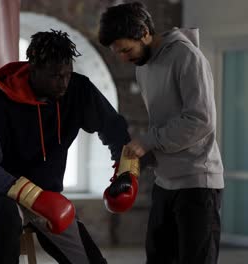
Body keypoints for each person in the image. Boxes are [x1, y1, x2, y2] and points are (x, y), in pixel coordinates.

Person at [0, 29, 130, 264]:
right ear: (33, 69)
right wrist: (30, 195)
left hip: (49, 198)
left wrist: (125, 170)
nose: (63, 83)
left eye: (67, 74)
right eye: (54, 76)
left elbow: (114, 129)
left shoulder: (78, 90)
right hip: (1, 193)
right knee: (5, 217)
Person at [99, 2, 224, 264]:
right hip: (164, 183)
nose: (123, 57)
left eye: (126, 49)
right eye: (118, 53)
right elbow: (165, 124)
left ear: (144, 32)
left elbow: (200, 120)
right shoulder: (143, 67)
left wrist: (147, 141)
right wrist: (140, 160)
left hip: (197, 184)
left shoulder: (187, 56)